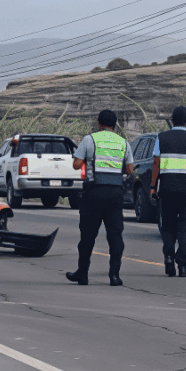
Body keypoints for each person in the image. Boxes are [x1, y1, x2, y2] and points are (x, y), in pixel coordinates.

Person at [66, 110, 134, 287]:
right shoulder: (123, 143)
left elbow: (76, 164)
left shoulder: (90, 140)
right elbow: (129, 169)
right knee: (115, 236)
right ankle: (114, 276)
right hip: (116, 193)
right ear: (114, 125)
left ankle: (82, 274)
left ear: (99, 124)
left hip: (94, 192)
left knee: (87, 235)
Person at [151, 106, 186, 278]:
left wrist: (153, 186)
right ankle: (183, 266)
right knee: (184, 228)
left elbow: (156, 163)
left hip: (167, 189)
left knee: (168, 226)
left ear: (172, 120)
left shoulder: (162, 137)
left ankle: (168, 258)